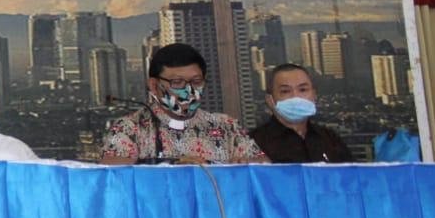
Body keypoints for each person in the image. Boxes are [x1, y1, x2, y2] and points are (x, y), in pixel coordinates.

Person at [101, 43, 267, 165]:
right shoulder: (129, 128)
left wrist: (246, 164)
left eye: (196, 81)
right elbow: (114, 175)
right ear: (154, 85)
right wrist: (172, 165)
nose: (189, 90)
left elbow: (263, 168)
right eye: (177, 82)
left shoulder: (226, 125)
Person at [249, 63, 354, 163]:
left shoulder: (330, 139)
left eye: (303, 89)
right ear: (270, 100)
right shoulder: (254, 143)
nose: (296, 96)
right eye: (285, 91)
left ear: (314, 95)